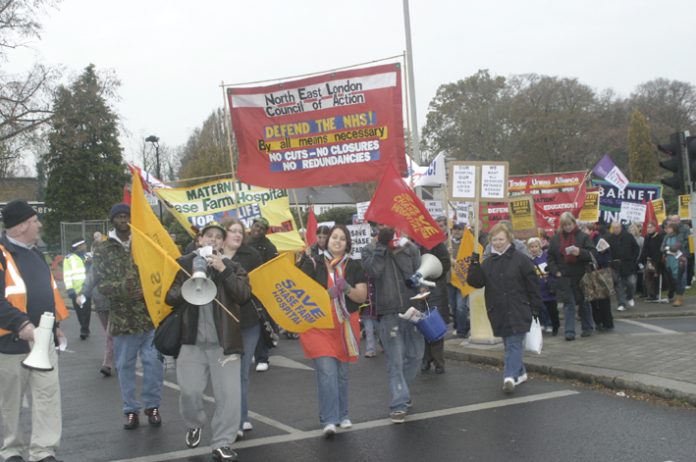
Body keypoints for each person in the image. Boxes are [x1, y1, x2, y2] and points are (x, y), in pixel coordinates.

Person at [166, 221, 251, 462]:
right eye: (208, 236)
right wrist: (189, 280)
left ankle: (222, 442)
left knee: (229, 397)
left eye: (218, 237)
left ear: (223, 243)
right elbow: (170, 298)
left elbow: (244, 295)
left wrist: (223, 270)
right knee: (189, 392)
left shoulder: (233, 266)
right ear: (199, 240)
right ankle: (195, 423)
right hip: (191, 342)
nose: (213, 240)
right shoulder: (184, 264)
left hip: (224, 343)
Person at [0, 199, 69, 462]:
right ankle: (12, 450)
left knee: (47, 395)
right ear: (19, 227)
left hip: (44, 338)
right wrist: (22, 324)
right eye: (34, 221)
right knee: (11, 401)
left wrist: (57, 328)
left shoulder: (36, 253)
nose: (39, 225)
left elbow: (48, 294)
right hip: (12, 341)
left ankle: (43, 451)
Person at [93, 203, 164, 430]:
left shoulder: (144, 243)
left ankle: (152, 406)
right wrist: (125, 288)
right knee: (125, 366)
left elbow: (159, 270)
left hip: (148, 315)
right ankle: (130, 410)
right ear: (112, 220)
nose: (123, 220)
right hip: (123, 319)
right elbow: (101, 284)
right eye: (119, 217)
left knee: (153, 363)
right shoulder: (103, 249)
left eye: (127, 217)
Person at [298, 225, 367, 436]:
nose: (337, 241)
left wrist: (344, 286)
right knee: (327, 372)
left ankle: (343, 414)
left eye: (342, 239)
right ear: (327, 240)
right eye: (334, 237)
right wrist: (328, 293)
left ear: (347, 244)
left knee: (341, 373)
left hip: (345, 325)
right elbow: (301, 293)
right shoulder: (312, 262)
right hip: (318, 326)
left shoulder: (354, 265)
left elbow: (361, 297)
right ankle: (329, 419)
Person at [467, 222, 542, 394]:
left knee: (514, 343)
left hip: (519, 308)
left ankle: (509, 377)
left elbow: (533, 285)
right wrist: (474, 265)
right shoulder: (488, 263)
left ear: (509, 239)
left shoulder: (521, 260)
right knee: (509, 344)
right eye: (494, 240)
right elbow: (476, 283)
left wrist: (536, 307)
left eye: (501, 239)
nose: (498, 242)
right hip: (498, 309)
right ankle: (520, 372)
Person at [361, 226, 422, 424]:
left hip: (413, 309)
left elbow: (418, 272)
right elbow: (374, 271)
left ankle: (401, 390)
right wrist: (381, 246)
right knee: (395, 360)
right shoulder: (369, 250)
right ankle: (399, 403)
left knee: (415, 356)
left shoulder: (409, 247)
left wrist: (401, 247)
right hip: (388, 312)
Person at [220, 217, 264, 436]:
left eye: (240, 231)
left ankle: (240, 418)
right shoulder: (210, 255)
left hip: (247, 322)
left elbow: (261, 286)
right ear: (223, 234)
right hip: (220, 325)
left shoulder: (252, 256)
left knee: (241, 373)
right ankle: (231, 419)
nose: (238, 234)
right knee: (225, 375)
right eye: (233, 231)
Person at [547, 212, 595, 341]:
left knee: (584, 302)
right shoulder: (556, 239)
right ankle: (569, 332)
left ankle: (588, 328)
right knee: (569, 304)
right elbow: (550, 258)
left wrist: (580, 252)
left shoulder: (583, 237)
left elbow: (592, 254)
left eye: (569, 224)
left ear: (574, 223)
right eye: (564, 225)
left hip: (581, 274)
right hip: (564, 276)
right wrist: (555, 271)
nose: (567, 227)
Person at [246, 217, 278, 372]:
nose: (257, 230)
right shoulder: (242, 241)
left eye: (261, 229)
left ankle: (262, 357)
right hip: (241, 289)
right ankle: (250, 351)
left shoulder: (269, 247)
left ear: (265, 231)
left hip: (260, 291)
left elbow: (273, 269)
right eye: (255, 227)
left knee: (260, 323)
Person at [419, 241, 451, 374]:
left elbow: (445, 265)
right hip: (421, 290)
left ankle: (438, 361)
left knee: (435, 325)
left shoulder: (438, 245)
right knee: (424, 326)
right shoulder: (415, 246)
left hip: (436, 289)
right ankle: (426, 358)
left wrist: (429, 275)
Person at [80, 256, 113, 377]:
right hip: (101, 304)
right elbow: (90, 280)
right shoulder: (98, 264)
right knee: (110, 334)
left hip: (114, 305)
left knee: (110, 334)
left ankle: (107, 364)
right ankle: (118, 356)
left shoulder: (121, 260)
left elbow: (89, 280)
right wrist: (83, 295)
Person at [527, 237, 559, 335]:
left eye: (536, 246)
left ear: (540, 247)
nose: (534, 249)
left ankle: (554, 325)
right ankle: (543, 323)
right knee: (541, 308)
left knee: (552, 308)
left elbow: (552, 269)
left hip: (548, 287)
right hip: (537, 289)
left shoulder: (546, 256)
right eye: (531, 247)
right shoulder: (528, 260)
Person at [606, 221, 639, 311]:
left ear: (620, 227)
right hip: (616, 265)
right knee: (619, 285)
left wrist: (633, 259)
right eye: (614, 228)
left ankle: (630, 296)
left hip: (628, 264)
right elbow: (607, 252)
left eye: (617, 227)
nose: (616, 229)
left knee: (631, 282)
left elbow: (636, 248)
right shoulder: (609, 238)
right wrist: (611, 261)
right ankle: (621, 303)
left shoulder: (628, 236)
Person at [63, 237, 92, 339]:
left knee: (86, 310)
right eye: (83, 244)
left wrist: (90, 264)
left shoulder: (88, 256)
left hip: (87, 289)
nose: (85, 246)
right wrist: (70, 289)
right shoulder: (68, 258)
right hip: (76, 291)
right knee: (80, 311)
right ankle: (84, 327)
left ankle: (84, 329)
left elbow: (92, 272)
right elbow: (67, 275)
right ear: (79, 247)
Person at [448, 223, 470, 338]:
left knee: (461, 307)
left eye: (459, 229)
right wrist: (447, 254)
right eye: (454, 229)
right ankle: (464, 325)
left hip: (462, 280)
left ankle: (461, 331)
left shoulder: (468, 243)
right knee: (453, 305)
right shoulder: (447, 243)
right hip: (450, 280)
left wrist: (455, 261)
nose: (456, 231)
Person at [661, 222, 687, 307]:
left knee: (678, 280)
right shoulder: (666, 237)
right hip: (669, 261)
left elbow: (676, 248)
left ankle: (679, 298)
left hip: (678, 261)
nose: (667, 229)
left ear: (673, 229)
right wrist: (668, 248)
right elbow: (661, 248)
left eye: (669, 228)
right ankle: (673, 296)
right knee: (672, 280)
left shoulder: (679, 236)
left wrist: (667, 248)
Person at [639, 222, 665, 301]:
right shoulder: (647, 237)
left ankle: (655, 294)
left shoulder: (659, 237)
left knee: (655, 277)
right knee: (647, 277)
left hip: (656, 260)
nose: (649, 229)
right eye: (648, 227)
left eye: (651, 227)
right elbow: (644, 249)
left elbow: (659, 250)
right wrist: (641, 259)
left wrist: (657, 262)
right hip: (648, 260)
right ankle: (651, 294)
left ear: (654, 228)